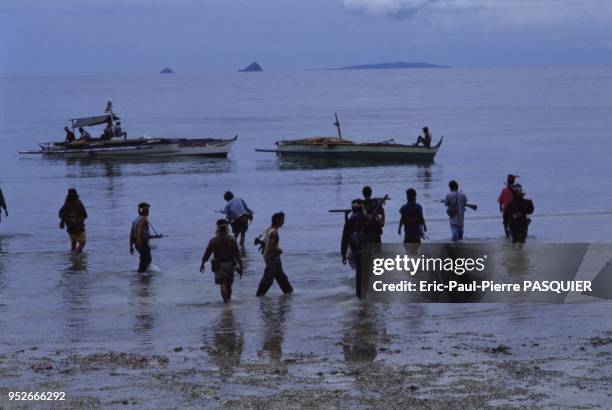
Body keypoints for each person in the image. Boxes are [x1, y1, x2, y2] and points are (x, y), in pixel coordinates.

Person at [200, 219, 244, 303]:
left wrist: (202, 263)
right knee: (229, 285)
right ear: (226, 227)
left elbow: (207, 253)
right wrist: (241, 266)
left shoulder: (213, 240)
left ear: (218, 228)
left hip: (218, 265)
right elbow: (237, 255)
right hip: (230, 265)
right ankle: (228, 303)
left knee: (222, 284)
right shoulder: (232, 239)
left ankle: (226, 303)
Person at [256, 212, 294, 297]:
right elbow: (271, 246)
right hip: (272, 258)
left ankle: (289, 294)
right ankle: (259, 296)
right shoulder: (274, 233)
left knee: (281, 278)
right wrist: (279, 250)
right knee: (268, 279)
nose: (283, 222)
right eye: (282, 220)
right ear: (277, 220)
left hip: (272, 257)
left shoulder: (270, 229)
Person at [341, 199, 368, 299]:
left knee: (359, 273)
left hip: (355, 250)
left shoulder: (350, 221)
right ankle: (363, 295)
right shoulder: (366, 219)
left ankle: (359, 296)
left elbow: (344, 239)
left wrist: (343, 254)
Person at [58, 188, 88, 253]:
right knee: (82, 243)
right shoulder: (79, 202)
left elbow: (61, 213)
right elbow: (85, 215)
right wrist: (79, 220)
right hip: (79, 227)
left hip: (70, 227)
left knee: (73, 243)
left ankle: (73, 258)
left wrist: (62, 222)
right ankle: (75, 255)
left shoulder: (66, 203)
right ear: (76, 194)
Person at [130, 202, 154, 273]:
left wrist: (131, 246)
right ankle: (142, 275)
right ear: (145, 211)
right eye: (148, 210)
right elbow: (140, 229)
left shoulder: (134, 220)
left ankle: (142, 277)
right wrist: (139, 241)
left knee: (144, 259)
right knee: (147, 259)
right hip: (142, 243)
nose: (148, 212)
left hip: (137, 244)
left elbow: (131, 234)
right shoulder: (144, 219)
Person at [497, 174, 518, 238]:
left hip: (506, 210)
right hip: (514, 211)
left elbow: (500, 200)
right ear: (514, 182)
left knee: (506, 224)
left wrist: (500, 207)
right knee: (513, 224)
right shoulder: (516, 190)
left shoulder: (504, 190)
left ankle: (507, 236)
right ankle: (512, 235)